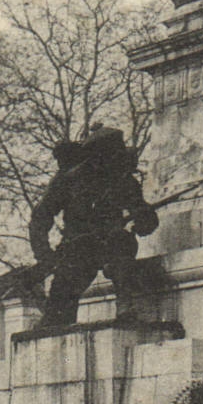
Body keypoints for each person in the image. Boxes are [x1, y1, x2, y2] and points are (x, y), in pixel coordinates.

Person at [28, 125, 159, 329]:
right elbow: (40, 217)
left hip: (112, 245)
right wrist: (45, 256)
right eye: (109, 156)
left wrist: (144, 219)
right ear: (95, 156)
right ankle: (55, 318)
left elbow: (144, 219)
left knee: (121, 244)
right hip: (78, 249)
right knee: (58, 312)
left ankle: (125, 304)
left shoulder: (123, 180)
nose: (114, 162)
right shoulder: (69, 180)